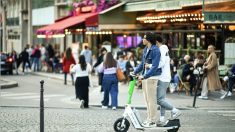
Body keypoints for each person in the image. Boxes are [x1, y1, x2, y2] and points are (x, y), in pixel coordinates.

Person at [133, 32, 161, 127]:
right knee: (147, 100)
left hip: (152, 77)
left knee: (151, 100)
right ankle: (149, 118)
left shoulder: (155, 50)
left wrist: (144, 76)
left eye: (144, 38)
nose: (142, 40)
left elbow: (155, 67)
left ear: (148, 40)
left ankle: (153, 120)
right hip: (145, 77)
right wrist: (135, 71)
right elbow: (142, 64)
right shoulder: (146, 49)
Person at [155, 35, 181, 127]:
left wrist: (150, 66)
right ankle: (162, 119)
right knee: (162, 99)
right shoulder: (164, 49)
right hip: (165, 77)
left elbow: (161, 63)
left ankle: (175, 110)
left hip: (163, 78)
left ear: (157, 42)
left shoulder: (162, 49)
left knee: (159, 100)